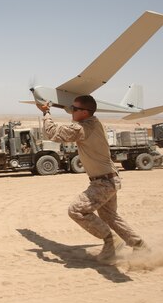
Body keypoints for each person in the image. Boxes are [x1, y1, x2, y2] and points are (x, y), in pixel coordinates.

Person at [36, 96, 149, 264]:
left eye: (74, 109)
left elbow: (52, 133)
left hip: (103, 182)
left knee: (76, 210)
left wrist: (46, 112)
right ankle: (139, 245)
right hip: (109, 179)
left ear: (84, 112)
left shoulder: (83, 128)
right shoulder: (93, 122)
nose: (71, 111)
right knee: (109, 216)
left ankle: (111, 240)